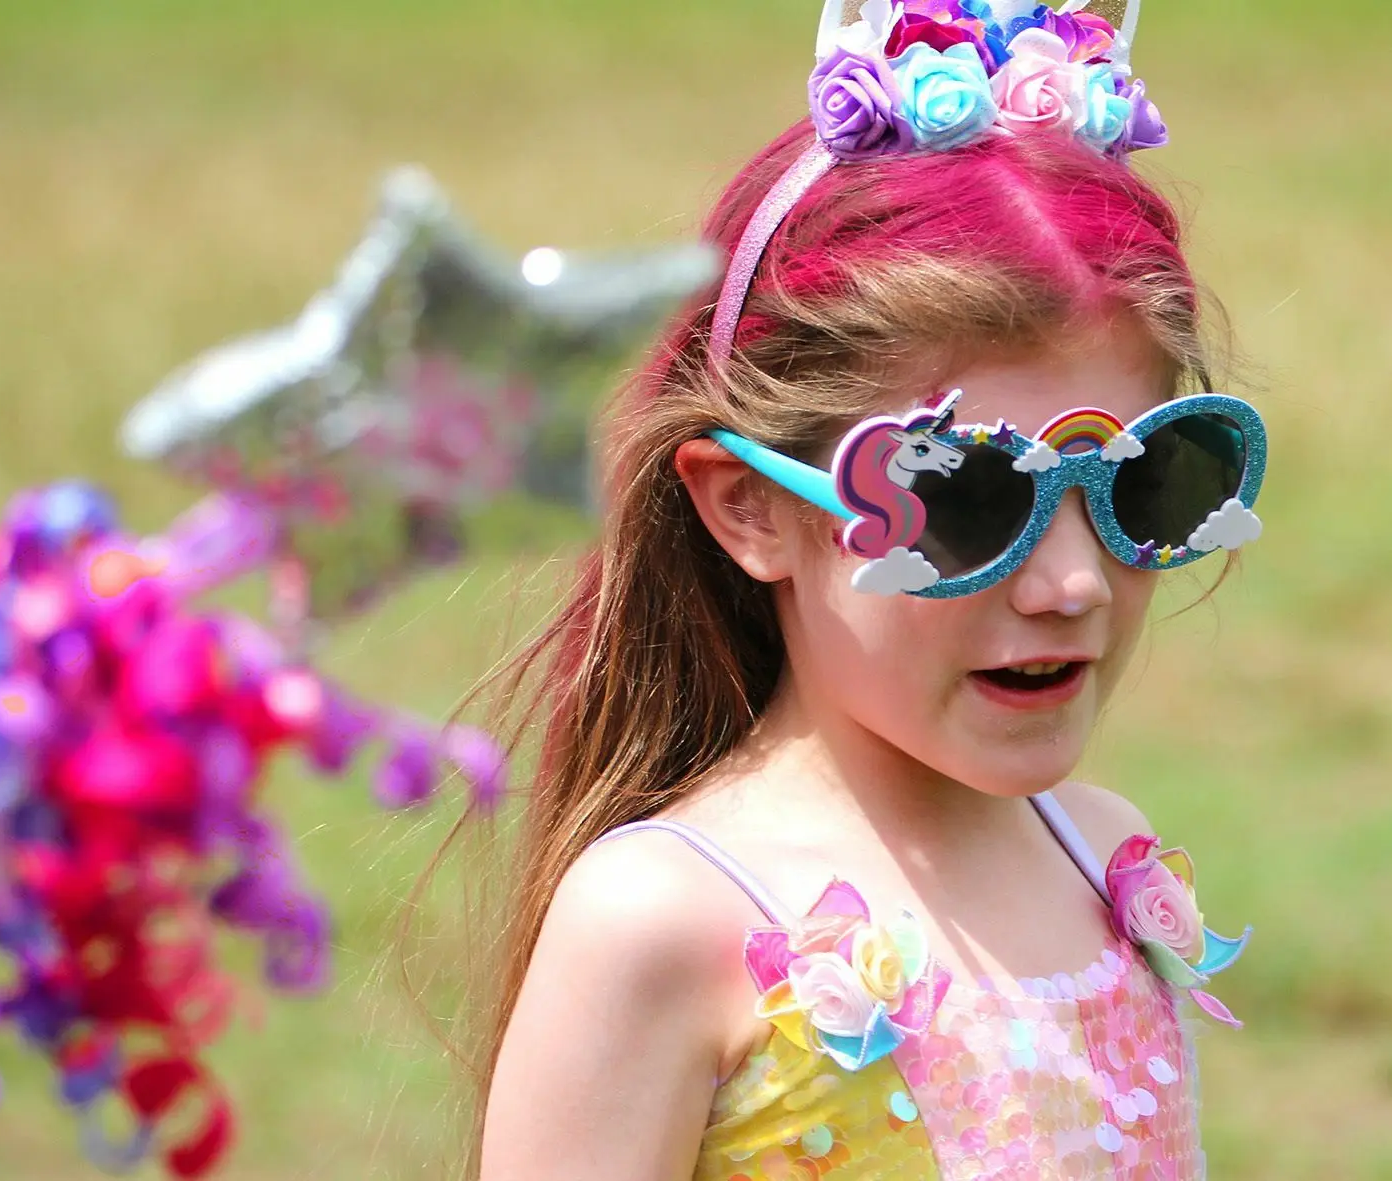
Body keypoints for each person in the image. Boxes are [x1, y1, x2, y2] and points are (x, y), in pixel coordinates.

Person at [472, 3, 1268, 1176]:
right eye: (967, 498)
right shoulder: (666, 921)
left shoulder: (1103, 858)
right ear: (752, 508)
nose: (1070, 583)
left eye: (1145, 484)